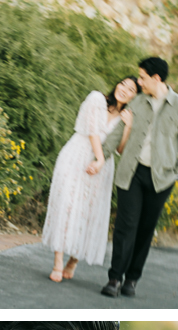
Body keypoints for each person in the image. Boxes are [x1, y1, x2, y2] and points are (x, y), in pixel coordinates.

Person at [93, 56, 178, 298]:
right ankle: (114, 278)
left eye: (142, 77)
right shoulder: (138, 102)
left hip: (162, 179)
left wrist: (177, 172)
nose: (139, 82)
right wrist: (101, 158)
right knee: (124, 226)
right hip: (132, 172)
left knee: (145, 229)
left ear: (156, 78)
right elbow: (118, 131)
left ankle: (132, 278)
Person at [42, 78, 139, 282]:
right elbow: (93, 132)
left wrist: (128, 127)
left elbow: (120, 149)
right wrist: (100, 158)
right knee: (66, 206)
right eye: (123, 84)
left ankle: (73, 261)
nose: (124, 90)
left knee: (90, 212)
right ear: (117, 85)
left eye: (131, 89)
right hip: (78, 157)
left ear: (134, 97)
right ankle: (58, 261)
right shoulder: (97, 99)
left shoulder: (126, 116)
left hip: (102, 168)